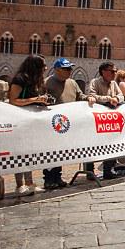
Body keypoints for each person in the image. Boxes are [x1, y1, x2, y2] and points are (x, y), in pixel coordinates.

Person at [43, 58, 96, 189]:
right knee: (51, 152)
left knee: (60, 151)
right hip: (52, 123)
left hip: (68, 124)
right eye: (66, 69)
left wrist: (88, 97)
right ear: (56, 70)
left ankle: (58, 176)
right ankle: (49, 179)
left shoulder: (72, 83)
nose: (69, 71)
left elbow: (80, 96)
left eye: (70, 68)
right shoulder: (47, 83)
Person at [8, 55, 49, 196]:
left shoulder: (36, 81)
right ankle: (20, 185)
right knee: (20, 153)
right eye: (43, 65)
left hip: (31, 120)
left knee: (30, 152)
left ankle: (30, 183)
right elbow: (13, 100)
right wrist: (35, 99)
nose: (45, 68)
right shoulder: (20, 79)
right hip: (19, 120)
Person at [87, 61, 125, 180]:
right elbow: (92, 96)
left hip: (110, 121)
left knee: (112, 143)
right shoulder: (95, 82)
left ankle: (108, 170)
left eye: (115, 71)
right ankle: (89, 172)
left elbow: (121, 96)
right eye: (112, 71)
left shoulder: (114, 83)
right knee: (93, 145)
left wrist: (116, 98)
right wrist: (109, 99)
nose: (114, 73)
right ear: (103, 72)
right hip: (97, 120)